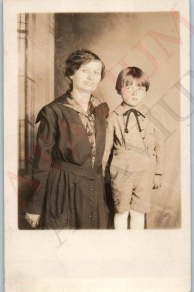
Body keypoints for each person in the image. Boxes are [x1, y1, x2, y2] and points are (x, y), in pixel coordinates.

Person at [25, 49, 109, 229]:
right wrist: (35, 205)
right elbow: (42, 161)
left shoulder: (101, 110)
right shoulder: (53, 111)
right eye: (84, 70)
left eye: (96, 72)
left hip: (94, 191)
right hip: (63, 188)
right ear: (71, 73)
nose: (91, 77)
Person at [102, 66, 165, 229]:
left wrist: (159, 171)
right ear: (119, 90)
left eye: (139, 88)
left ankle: (137, 247)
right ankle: (121, 247)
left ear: (145, 91)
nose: (134, 93)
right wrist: (101, 171)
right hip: (121, 169)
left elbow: (160, 145)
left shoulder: (152, 115)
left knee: (139, 211)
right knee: (121, 211)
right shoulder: (113, 118)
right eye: (128, 88)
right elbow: (107, 147)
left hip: (146, 170)